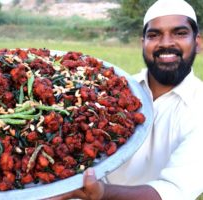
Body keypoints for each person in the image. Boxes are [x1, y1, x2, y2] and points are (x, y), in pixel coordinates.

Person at [49, 0, 203, 199]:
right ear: (143, 43)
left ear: (197, 43)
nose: (166, 43)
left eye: (179, 33)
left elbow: (173, 192)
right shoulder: (118, 90)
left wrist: (103, 193)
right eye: (154, 35)